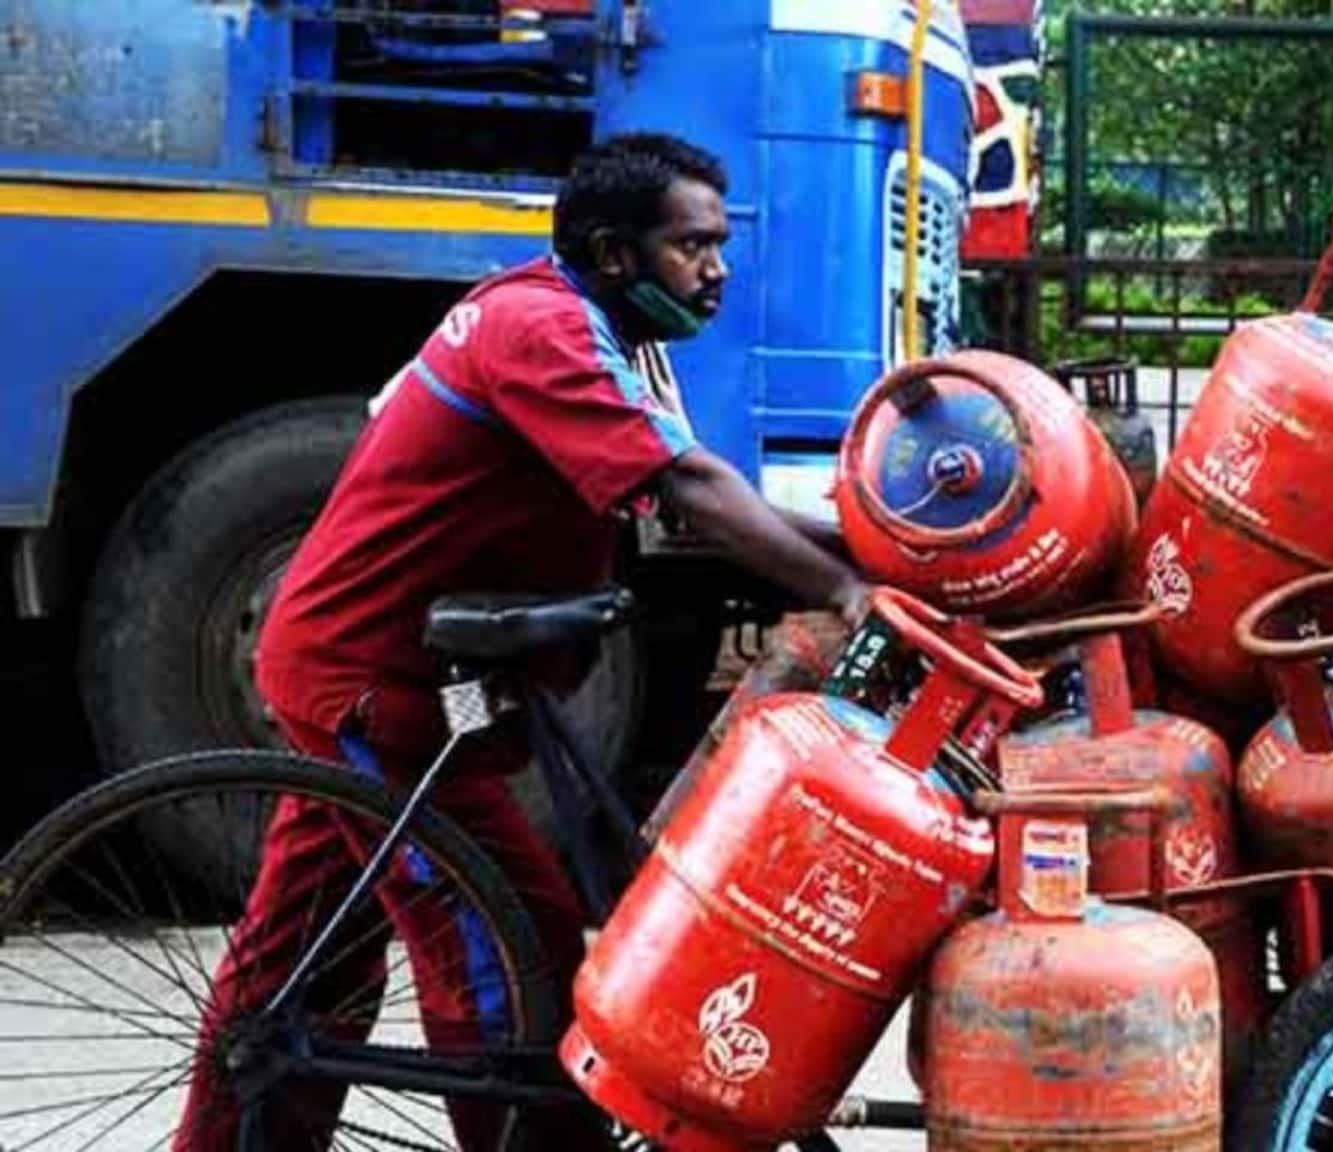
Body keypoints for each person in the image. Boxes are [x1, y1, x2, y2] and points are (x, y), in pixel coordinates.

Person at [174, 133, 869, 1150]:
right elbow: (687, 491)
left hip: (395, 672)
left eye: (719, 246)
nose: (716, 269)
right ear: (613, 251)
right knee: (506, 934)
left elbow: (686, 502)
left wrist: (871, 556)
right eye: (692, 247)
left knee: (303, 954)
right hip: (373, 682)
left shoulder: (610, 335)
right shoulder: (539, 328)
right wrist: (848, 585)